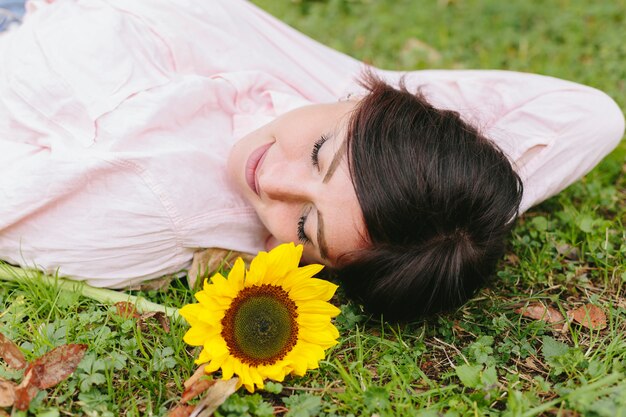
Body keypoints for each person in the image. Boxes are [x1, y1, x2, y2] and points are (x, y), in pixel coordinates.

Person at [0, 0, 623, 321]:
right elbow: (596, 115)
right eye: (320, 153)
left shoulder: (158, 202)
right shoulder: (328, 93)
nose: (272, 179)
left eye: (306, 227)